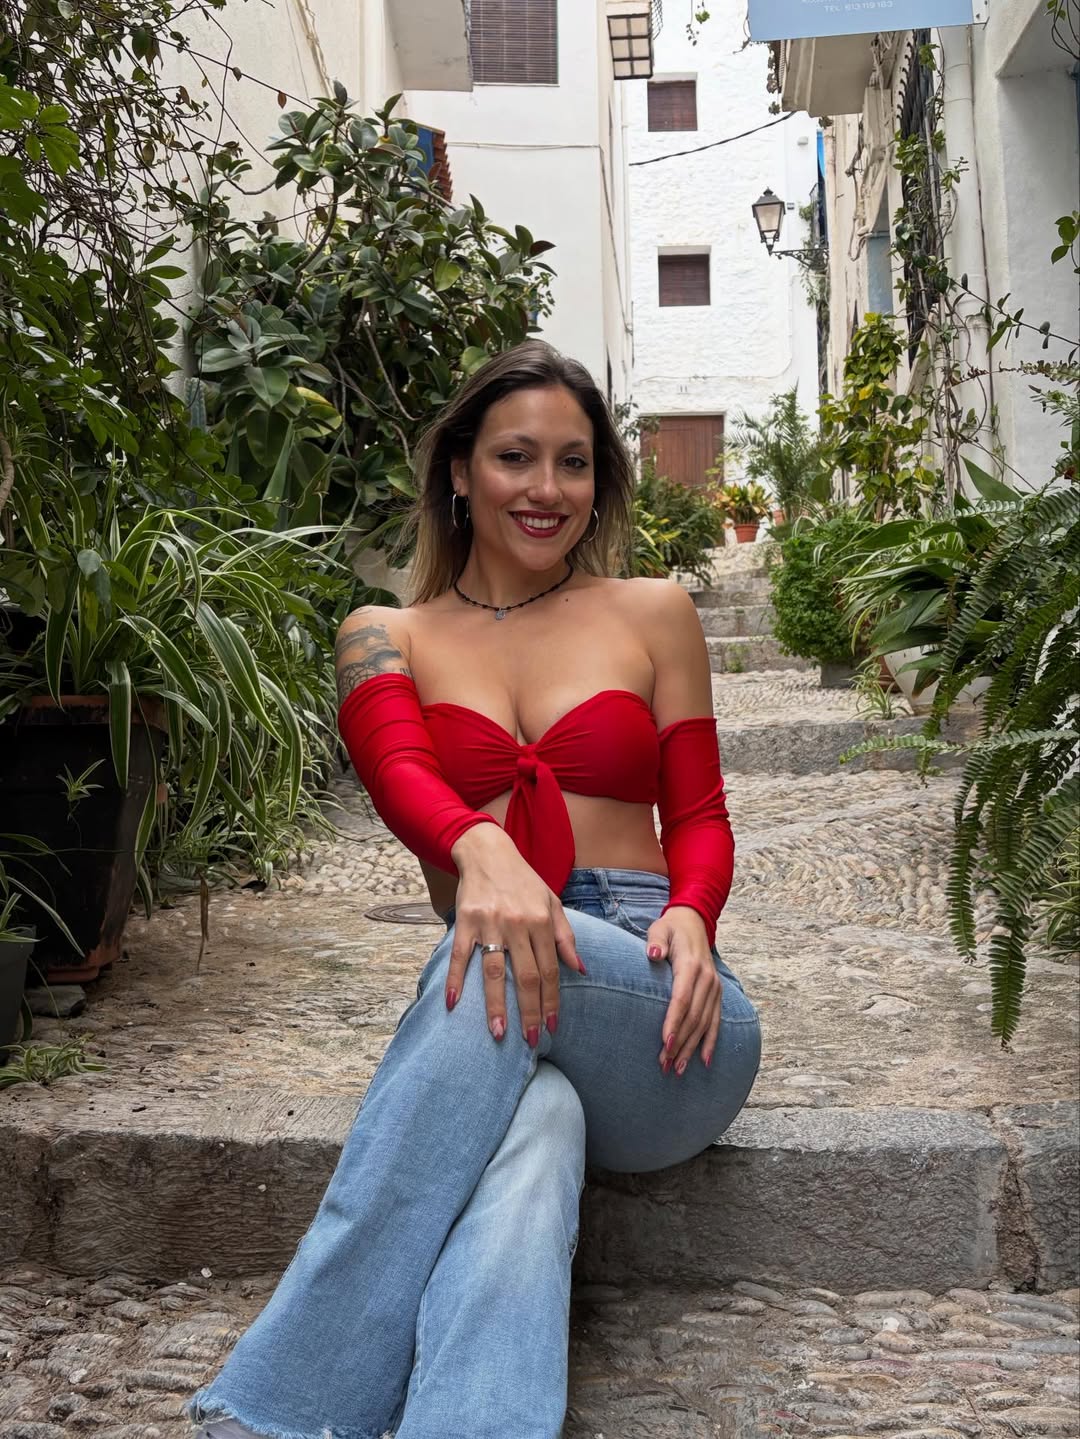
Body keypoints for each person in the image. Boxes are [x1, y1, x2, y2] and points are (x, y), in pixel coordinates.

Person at [190, 340, 761, 1439]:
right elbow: (399, 774)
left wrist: (693, 911)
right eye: (515, 456)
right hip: (502, 1008)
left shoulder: (654, 611)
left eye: (574, 462)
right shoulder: (384, 635)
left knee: (492, 949)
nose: (548, 488)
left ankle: (277, 1409)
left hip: (659, 1002)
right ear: (459, 469)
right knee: (535, 1134)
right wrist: (481, 848)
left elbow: (699, 815)